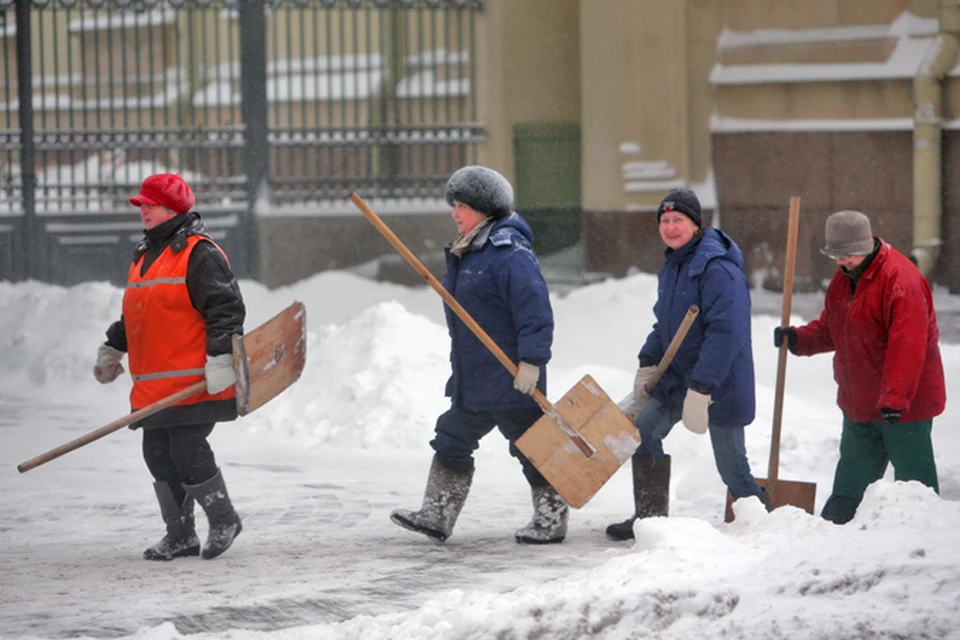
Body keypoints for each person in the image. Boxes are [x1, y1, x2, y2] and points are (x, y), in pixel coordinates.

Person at [390, 165, 566, 544]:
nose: (455, 212)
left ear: (484, 209)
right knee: (451, 436)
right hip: (475, 376)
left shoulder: (509, 253)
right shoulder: (470, 249)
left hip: (511, 378)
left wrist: (532, 362)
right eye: (454, 204)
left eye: (463, 205)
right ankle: (437, 515)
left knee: (533, 448)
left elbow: (535, 311)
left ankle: (551, 519)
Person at [93, 173, 245, 560]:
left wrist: (221, 358)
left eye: (151, 204)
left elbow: (225, 309)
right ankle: (180, 535)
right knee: (157, 454)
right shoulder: (146, 253)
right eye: (141, 204)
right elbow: (139, 312)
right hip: (155, 384)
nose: (143, 209)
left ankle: (224, 518)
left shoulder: (200, 253)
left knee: (187, 448)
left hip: (195, 378)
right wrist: (113, 347)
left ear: (173, 208)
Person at [607, 188, 768, 541]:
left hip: (719, 383)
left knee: (731, 465)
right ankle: (649, 521)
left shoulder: (718, 270)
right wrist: (648, 362)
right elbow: (664, 324)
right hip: (678, 380)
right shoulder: (674, 266)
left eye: (678, 219)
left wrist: (703, 387)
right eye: (664, 221)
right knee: (644, 433)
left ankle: (762, 524)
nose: (670, 227)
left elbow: (727, 333)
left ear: (696, 225)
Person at [774, 210, 945, 525]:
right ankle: (832, 536)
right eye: (835, 255)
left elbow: (909, 345)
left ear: (867, 246)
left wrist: (895, 398)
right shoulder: (844, 280)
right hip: (860, 403)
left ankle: (923, 542)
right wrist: (800, 339)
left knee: (915, 488)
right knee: (850, 484)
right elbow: (833, 328)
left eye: (848, 254)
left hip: (906, 408)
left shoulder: (900, 282)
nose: (842, 262)